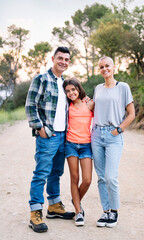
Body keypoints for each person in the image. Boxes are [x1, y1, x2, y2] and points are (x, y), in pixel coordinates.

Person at [25, 46, 75, 233]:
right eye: (60, 58)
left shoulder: (65, 84)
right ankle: (35, 212)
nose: (63, 61)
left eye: (66, 59)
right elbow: (30, 106)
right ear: (53, 58)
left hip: (64, 136)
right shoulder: (42, 79)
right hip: (48, 135)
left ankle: (54, 206)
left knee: (56, 172)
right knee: (41, 173)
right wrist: (40, 128)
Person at [91, 56, 135, 228]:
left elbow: (131, 114)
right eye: (101, 67)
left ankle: (114, 212)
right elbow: (93, 108)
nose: (104, 69)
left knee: (110, 176)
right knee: (101, 177)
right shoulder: (97, 88)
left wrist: (118, 129)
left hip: (113, 135)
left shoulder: (123, 87)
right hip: (96, 135)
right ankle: (106, 211)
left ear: (114, 67)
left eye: (107, 66)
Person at [62, 78, 94, 226]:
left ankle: (76, 200)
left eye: (73, 90)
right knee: (74, 177)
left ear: (79, 89)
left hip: (86, 145)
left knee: (87, 180)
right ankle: (78, 211)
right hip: (71, 144)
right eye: (68, 91)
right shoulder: (67, 106)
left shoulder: (90, 104)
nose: (71, 93)